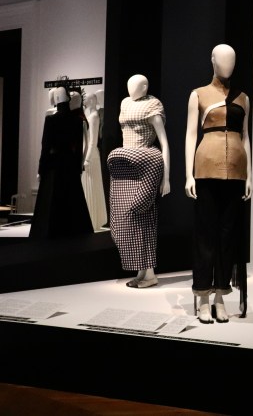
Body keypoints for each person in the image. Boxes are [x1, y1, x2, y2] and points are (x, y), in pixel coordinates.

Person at [185, 44, 252, 324]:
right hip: (206, 169)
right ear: (213, 61)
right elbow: (191, 134)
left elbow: (245, 136)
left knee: (227, 236)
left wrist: (250, 175)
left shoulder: (243, 98)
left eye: (232, 60)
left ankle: (220, 296)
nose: (228, 64)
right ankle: (203, 296)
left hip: (235, 172)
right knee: (205, 235)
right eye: (224, 59)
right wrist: (189, 174)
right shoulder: (199, 94)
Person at [107, 74, 170, 288]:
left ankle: (149, 274)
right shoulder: (125, 103)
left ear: (145, 87)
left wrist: (166, 178)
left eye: (136, 85)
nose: (130, 88)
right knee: (121, 219)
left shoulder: (153, 106)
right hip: (126, 164)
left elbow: (164, 143)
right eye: (128, 84)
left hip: (146, 162)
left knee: (142, 214)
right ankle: (141, 271)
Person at [30, 87, 93, 239]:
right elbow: (79, 148)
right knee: (72, 201)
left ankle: (49, 233)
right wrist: (78, 168)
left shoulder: (51, 120)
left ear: (57, 99)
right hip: (70, 166)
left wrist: (41, 169)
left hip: (53, 166)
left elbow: (45, 147)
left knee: (51, 202)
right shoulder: (77, 120)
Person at [81, 90, 108, 231]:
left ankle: (93, 219)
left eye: (86, 98)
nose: (84, 100)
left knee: (91, 186)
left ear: (92, 100)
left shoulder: (93, 116)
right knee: (86, 186)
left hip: (91, 156)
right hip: (86, 154)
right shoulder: (88, 115)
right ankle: (87, 219)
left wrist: (87, 159)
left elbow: (93, 141)